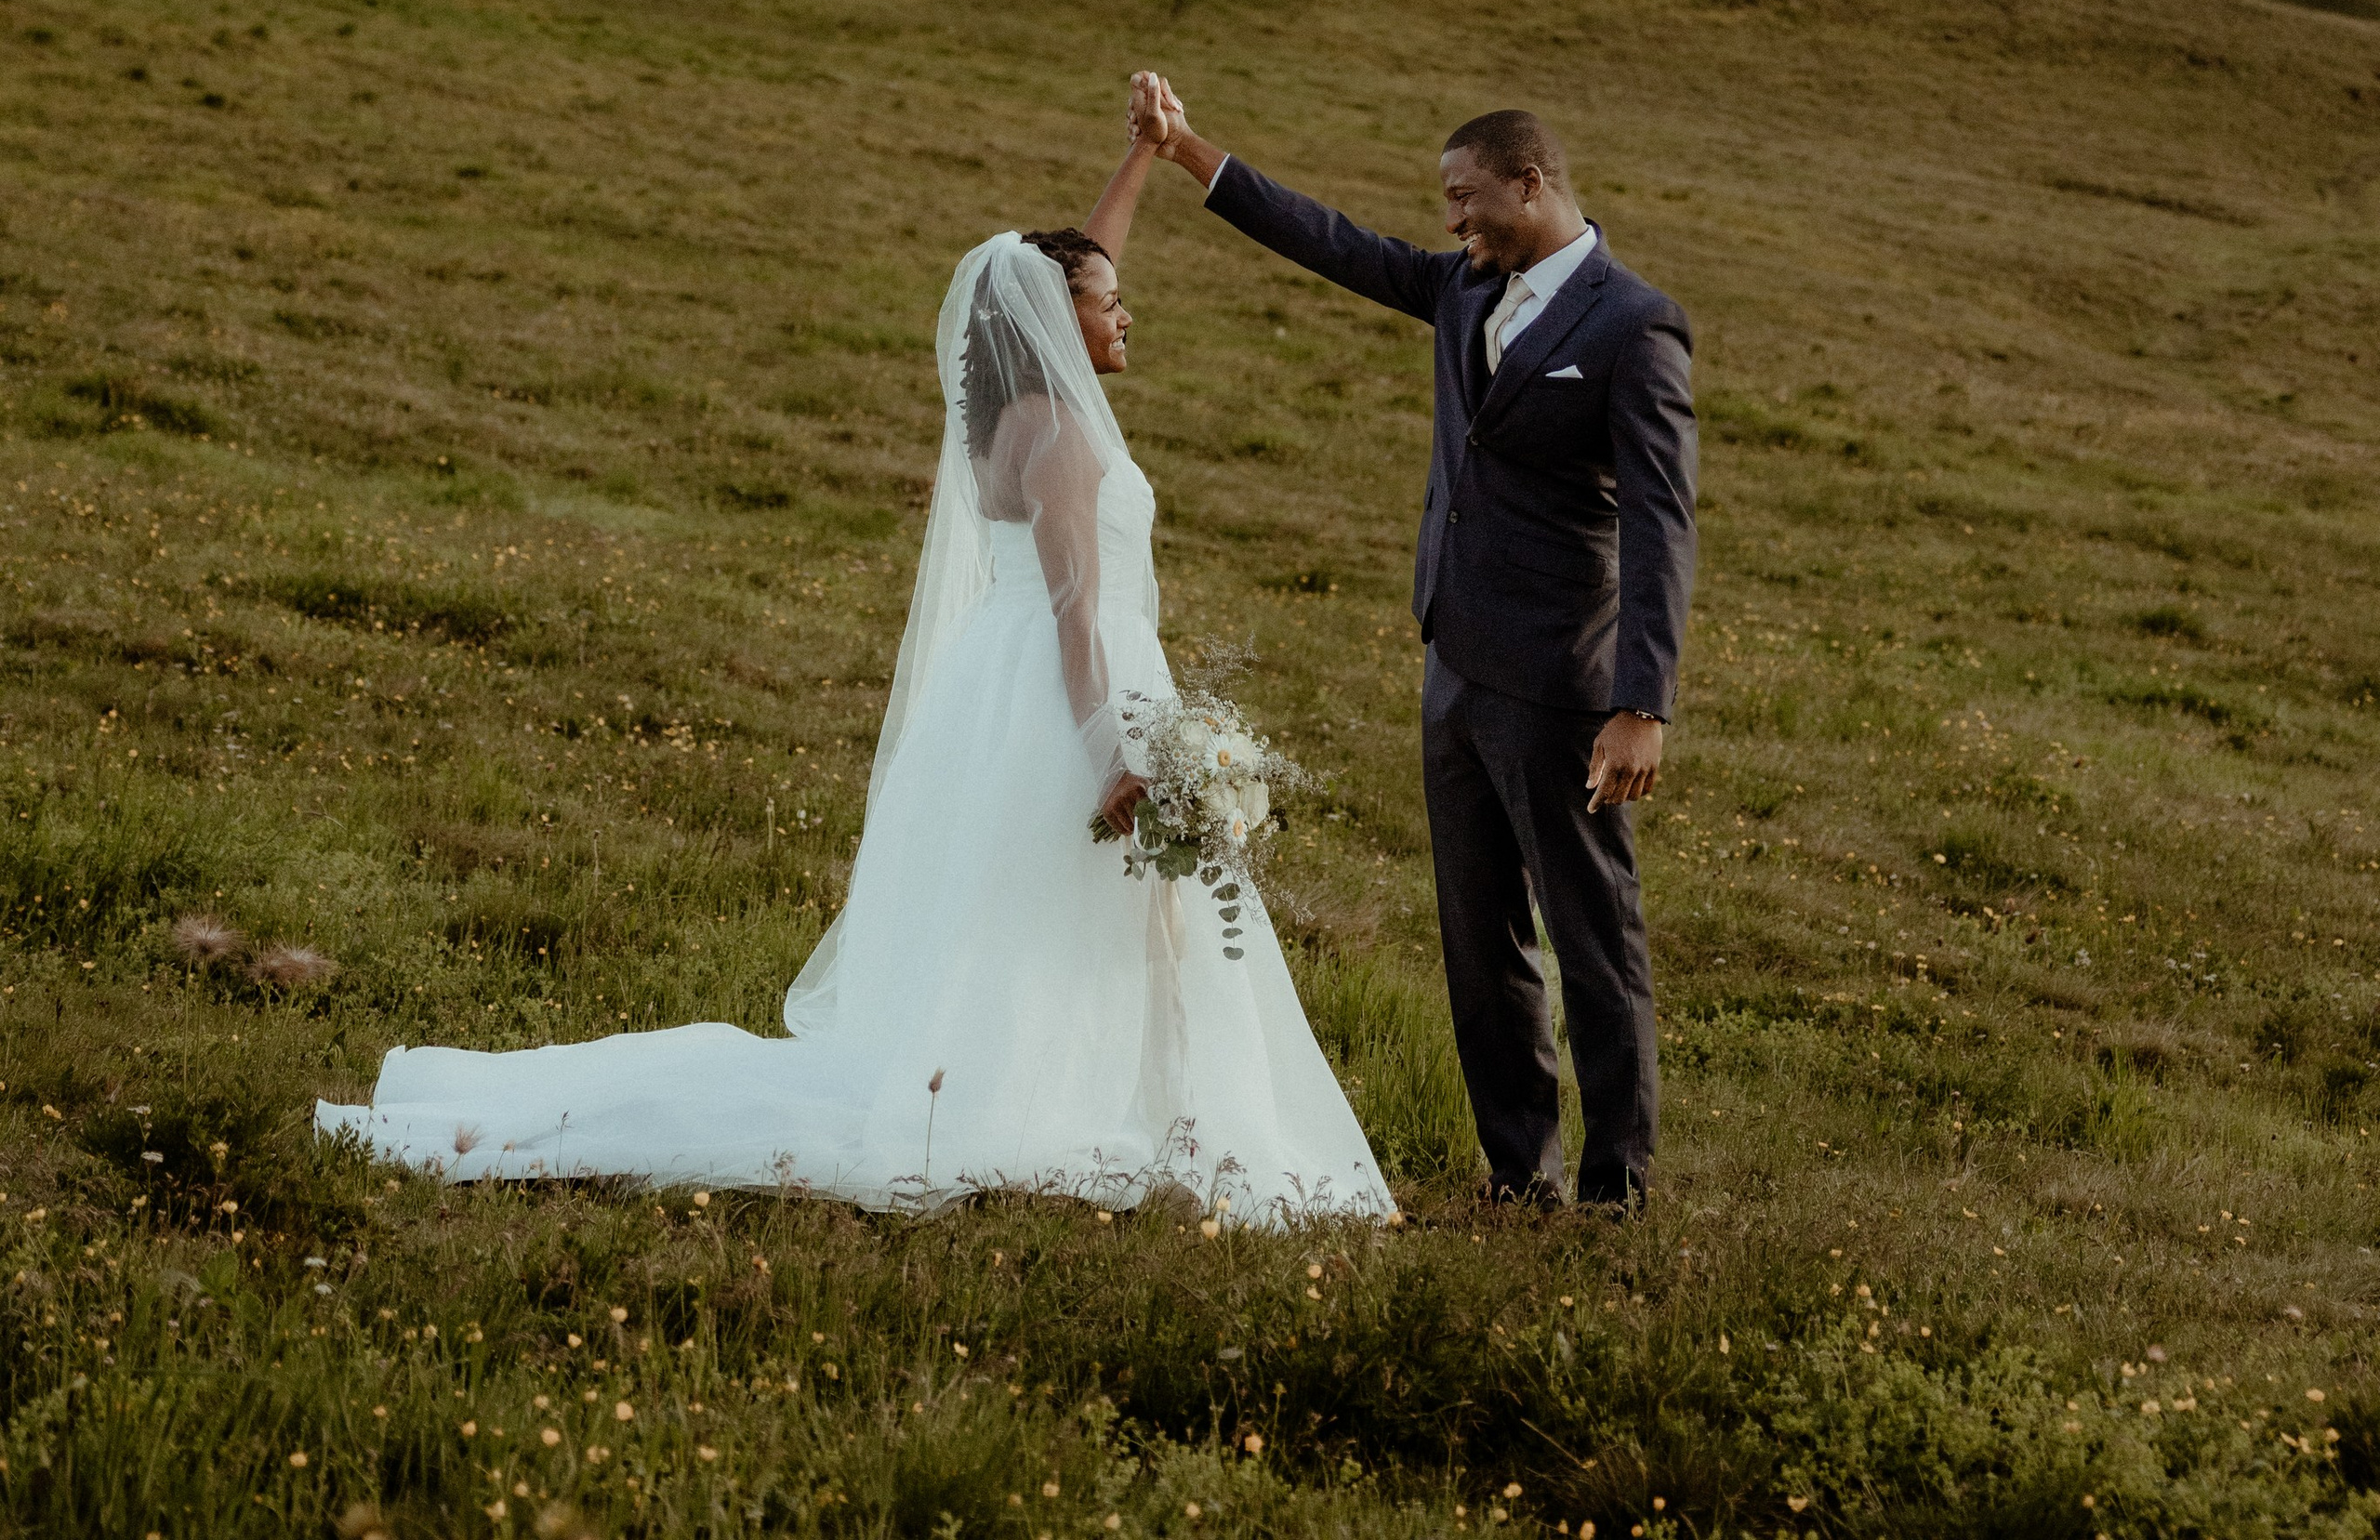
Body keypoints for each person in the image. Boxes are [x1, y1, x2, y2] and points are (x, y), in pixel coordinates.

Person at [315, 99, 1392, 1223]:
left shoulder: (1015, 415)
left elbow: (1066, 274)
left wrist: (1145, 153)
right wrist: (1110, 752)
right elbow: (1078, 613)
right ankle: (1104, 1107)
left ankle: (1124, 1098)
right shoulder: (1066, 436)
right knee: (1081, 909)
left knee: (1037, 911)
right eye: (1107, 301)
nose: (1126, 310)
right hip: (1074, 690)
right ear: (1055, 319)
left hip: (1005, 690)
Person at [1133, 72, 1695, 1212]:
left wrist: (1642, 702)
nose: (1450, 217)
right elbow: (1334, 243)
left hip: (1562, 681)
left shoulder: (1634, 324)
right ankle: (1518, 1171)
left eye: (1463, 196)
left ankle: (1616, 1187)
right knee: (1477, 938)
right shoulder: (1459, 287)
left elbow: (1660, 522)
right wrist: (1188, 149)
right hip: (1454, 665)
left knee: (1592, 938)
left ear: (1528, 184)